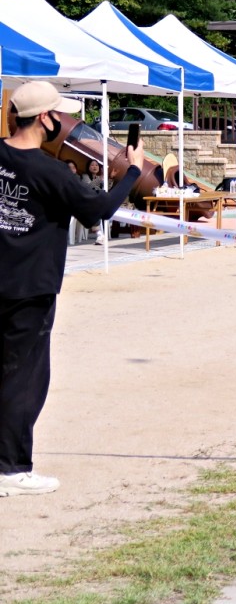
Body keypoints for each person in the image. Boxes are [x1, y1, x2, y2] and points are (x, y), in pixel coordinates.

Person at [0, 81, 144, 496]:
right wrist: (131, 171)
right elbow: (97, 210)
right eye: (58, 116)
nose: (62, 122)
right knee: (24, 378)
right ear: (45, 118)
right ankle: (11, 469)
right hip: (29, 287)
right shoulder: (46, 170)